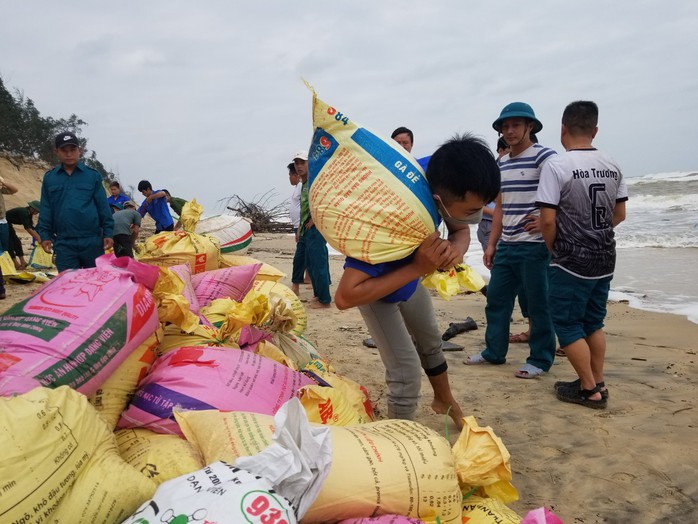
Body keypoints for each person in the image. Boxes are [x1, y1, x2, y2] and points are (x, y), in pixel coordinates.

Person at [335, 134, 500, 427]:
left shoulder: (445, 178)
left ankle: (444, 400)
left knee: (431, 342)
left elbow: (460, 231)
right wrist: (418, 267)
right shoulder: (390, 210)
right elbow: (345, 297)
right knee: (405, 371)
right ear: (437, 201)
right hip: (377, 291)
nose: (477, 217)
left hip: (413, 277)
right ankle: (401, 441)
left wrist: (456, 252)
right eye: (472, 211)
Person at [536, 101, 627, 409]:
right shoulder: (612, 164)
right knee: (593, 321)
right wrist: (594, 232)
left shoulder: (557, 165)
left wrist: (556, 246)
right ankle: (598, 381)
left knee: (567, 323)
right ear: (595, 130)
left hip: (571, 259)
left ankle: (589, 390)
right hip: (605, 255)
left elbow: (547, 220)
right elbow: (620, 214)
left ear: (563, 129)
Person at [465, 102, 557, 379]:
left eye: (516, 125)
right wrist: (492, 244)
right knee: (496, 300)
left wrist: (547, 221)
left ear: (530, 126)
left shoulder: (546, 158)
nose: (509, 131)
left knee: (539, 305)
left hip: (536, 247)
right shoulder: (501, 163)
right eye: (505, 126)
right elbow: (501, 207)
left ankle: (540, 359)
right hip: (507, 243)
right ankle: (494, 352)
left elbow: (565, 196)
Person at [37, 132, 114, 272]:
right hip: (64, 243)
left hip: (92, 241)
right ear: (56, 152)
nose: (69, 154)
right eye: (64, 150)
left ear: (80, 150)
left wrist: (108, 233)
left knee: (95, 285)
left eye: (72, 150)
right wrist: (44, 235)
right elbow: (46, 208)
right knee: (68, 286)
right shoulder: (50, 178)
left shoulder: (93, 175)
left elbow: (103, 207)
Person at [290, 150, 332, 308]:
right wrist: (300, 227)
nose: (299, 166)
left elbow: (327, 201)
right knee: (310, 263)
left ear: (309, 164)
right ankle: (317, 295)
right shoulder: (304, 184)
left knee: (318, 263)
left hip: (315, 229)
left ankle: (324, 300)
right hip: (305, 229)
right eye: (297, 163)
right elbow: (304, 208)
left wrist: (314, 220)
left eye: (302, 163)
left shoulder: (316, 182)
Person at [6, 200, 42, 269]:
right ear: (32, 208)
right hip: (3, 224)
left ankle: (23, 262)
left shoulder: (29, 214)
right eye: (37, 211)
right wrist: (39, 239)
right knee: (10, 243)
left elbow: (31, 226)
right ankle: (15, 264)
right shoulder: (24, 212)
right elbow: (28, 228)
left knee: (17, 242)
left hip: (8, 224)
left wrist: (39, 236)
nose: (37, 213)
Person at [0, 175, 19, 298]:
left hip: (2, 221)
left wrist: (3, 182)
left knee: (3, 251)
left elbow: (14, 190)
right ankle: (1, 289)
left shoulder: (1, 187)